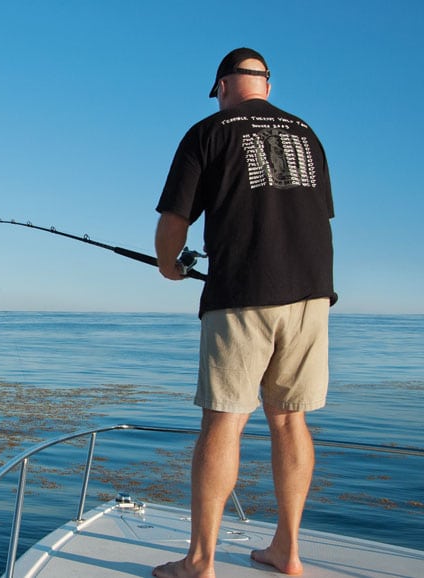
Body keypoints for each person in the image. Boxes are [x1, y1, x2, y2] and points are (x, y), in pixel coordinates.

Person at [152, 48, 336, 578]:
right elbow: (319, 216)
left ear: (223, 87)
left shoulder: (208, 132)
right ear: (267, 88)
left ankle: (200, 562)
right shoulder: (308, 134)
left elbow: (174, 223)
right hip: (313, 295)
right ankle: (289, 551)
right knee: (289, 420)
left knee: (224, 422)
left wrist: (169, 268)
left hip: (242, 296)